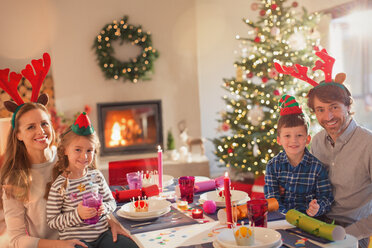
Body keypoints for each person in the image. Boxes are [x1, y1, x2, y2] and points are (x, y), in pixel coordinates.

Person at [0, 53, 130, 248]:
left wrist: (109, 220)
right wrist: (60, 245)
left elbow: (98, 195)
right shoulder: (15, 179)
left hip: (94, 236)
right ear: (18, 135)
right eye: (30, 127)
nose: (41, 131)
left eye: (44, 123)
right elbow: (17, 239)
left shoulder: (72, 157)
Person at [275, 48, 372, 247]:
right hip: (315, 224)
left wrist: (347, 233)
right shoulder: (318, 141)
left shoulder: (368, 144)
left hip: (352, 233)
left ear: (347, 105)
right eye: (320, 110)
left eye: (334, 107)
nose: (328, 117)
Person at [46, 112, 138, 248]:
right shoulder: (59, 185)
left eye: (89, 150)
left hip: (102, 236)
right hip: (77, 242)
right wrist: (78, 214)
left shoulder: (96, 176)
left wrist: (104, 208)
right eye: (78, 150)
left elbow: (111, 202)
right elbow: (52, 221)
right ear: (65, 150)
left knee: (130, 245)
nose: (84, 156)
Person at [264, 94, 333, 217]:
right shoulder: (273, 166)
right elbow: (272, 198)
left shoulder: (317, 168)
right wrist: (288, 216)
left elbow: (326, 197)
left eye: (299, 135)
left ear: (307, 139)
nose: (293, 140)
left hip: (309, 222)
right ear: (279, 140)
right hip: (281, 220)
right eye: (287, 136)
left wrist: (317, 208)